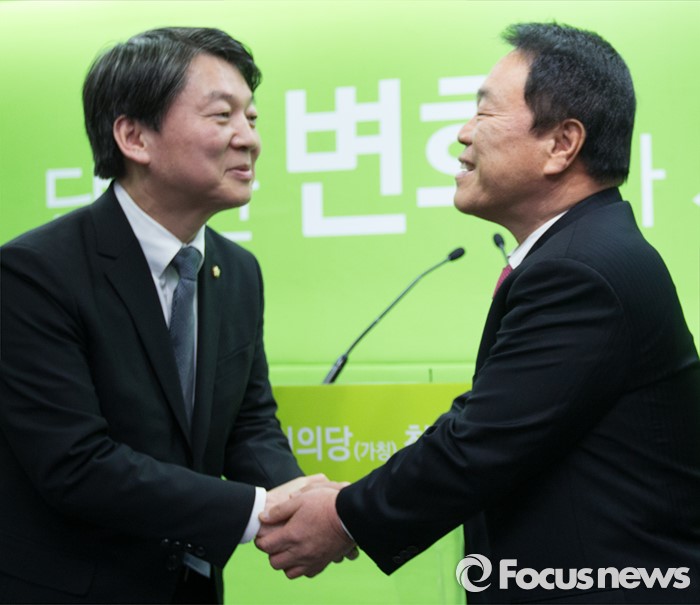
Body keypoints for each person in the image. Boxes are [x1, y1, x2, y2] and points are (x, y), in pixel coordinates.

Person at [256, 22, 700, 604]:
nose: (463, 134)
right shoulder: (587, 251)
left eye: (484, 113)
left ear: (562, 144)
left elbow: (479, 443)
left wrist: (343, 516)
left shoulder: (581, 271)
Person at [0, 27, 330, 604]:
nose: (249, 139)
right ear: (134, 137)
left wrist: (302, 498)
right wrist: (260, 509)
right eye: (222, 115)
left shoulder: (237, 271)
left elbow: (249, 424)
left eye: (252, 117)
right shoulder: (34, 273)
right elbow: (77, 465)